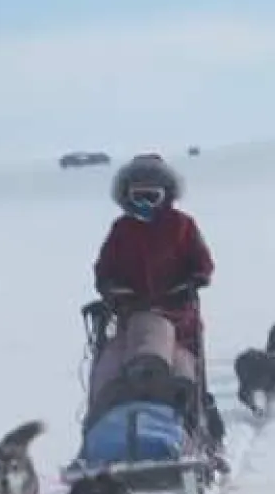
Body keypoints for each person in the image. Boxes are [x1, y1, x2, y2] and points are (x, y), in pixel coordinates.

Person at [93, 153, 226, 460]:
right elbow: (103, 271)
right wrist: (112, 290)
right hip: (131, 318)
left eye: (152, 196)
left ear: (166, 194)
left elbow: (203, 264)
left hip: (179, 320)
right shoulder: (121, 230)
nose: (145, 204)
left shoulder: (182, 226)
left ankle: (196, 435)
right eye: (138, 196)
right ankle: (103, 435)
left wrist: (193, 281)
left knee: (184, 375)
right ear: (126, 195)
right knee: (110, 371)